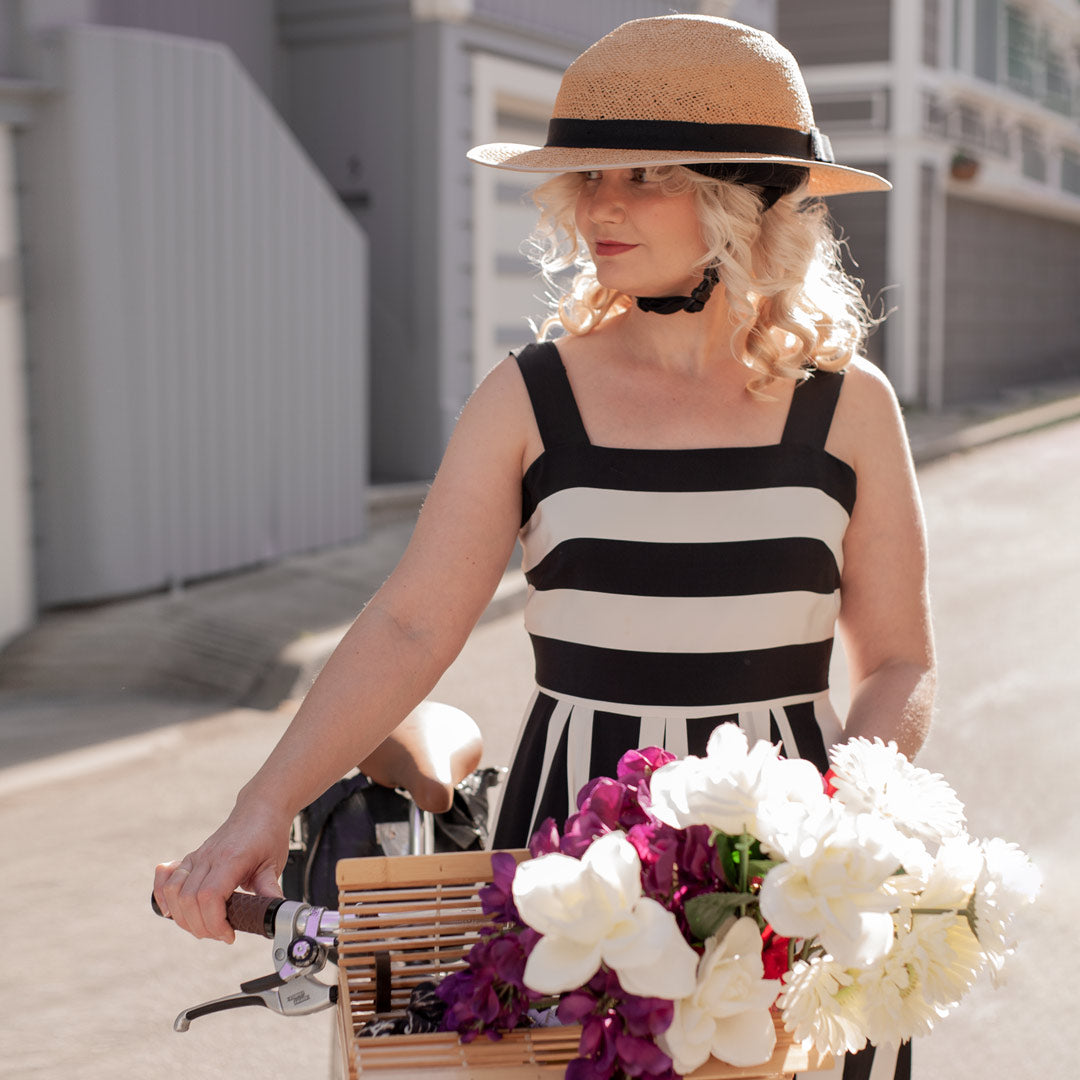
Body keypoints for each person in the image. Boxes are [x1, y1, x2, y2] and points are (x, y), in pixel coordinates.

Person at [156, 14, 932, 1080]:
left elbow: (897, 660)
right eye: (587, 176)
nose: (601, 204)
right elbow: (413, 620)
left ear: (743, 197)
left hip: (791, 869)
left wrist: (845, 830)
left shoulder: (850, 406)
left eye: (646, 176)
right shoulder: (529, 395)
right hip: (572, 862)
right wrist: (260, 810)